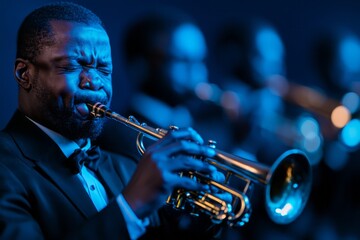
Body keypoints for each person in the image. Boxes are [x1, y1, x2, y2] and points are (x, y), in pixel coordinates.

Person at [0, 2, 231, 239]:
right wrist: (129, 207)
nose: (94, 81)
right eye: (72, 65)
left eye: (103, 69)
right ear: (24, 74)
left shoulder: (126, 166)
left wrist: (202, 222)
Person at [97, 8, 234, 159]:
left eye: (200, 60)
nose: (197, 73)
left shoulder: (211, 129)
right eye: (182, 61)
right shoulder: (117, 137)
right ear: (141, 65)